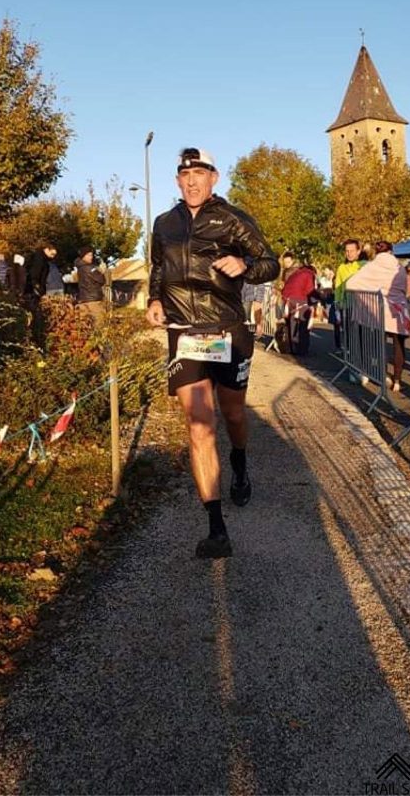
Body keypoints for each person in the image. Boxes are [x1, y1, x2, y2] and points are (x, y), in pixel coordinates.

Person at [146, 146, 279, 559]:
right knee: (199, 427)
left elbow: (269, 263)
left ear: (213, 177)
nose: (191, 181)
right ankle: (216, 528)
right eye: (185, 174)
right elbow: (157, 268)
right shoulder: (164, 223)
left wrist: (245, 265)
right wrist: (153, 299)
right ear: (177, 180)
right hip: (185, 334)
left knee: (234, 415)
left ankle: (239, 462)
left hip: (228, 331)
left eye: (199, 173)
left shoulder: (232, 218)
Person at [346, 240, 410, 392]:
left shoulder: (372, 266)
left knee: (380, 344)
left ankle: (381, 375)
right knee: (398, 345)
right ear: (391, 251)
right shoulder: (399, 267)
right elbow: (404, 288)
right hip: (400, 309)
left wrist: (372, 294)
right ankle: (397, 380)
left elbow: (352, 283)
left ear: (377, 252)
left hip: (380, 311)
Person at [331, 240, 365, 353]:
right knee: (349, 334)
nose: (349, 253)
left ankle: (364, 359)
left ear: (358, 251)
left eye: (352, 251)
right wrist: (337, 303)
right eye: (347, 251)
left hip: (363, 306)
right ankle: (352, 358)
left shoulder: (364, 265)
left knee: (362, 334)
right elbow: (338, 287)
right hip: (347, 306)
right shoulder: (342, 267)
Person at [281, 260, 317, 356]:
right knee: (303, 325)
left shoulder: (296, 273)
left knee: (292, 324)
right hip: (300, 300)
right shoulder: (309, 274)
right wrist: (313, 304)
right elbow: (310, 291)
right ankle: (302, 349)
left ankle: (292, 347)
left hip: (287, 299)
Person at [75, 246, 106, 324]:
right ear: (83, 256)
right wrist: (102, 271)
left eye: (91, 255)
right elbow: (102, 280)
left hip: (83, 300)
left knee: (84, 326)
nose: (91, 257)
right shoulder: (90, 268)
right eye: (89, 255)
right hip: (94, 301)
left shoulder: (80, 268)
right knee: (100, 324)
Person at [24, 241, 58, 310]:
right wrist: (37, 287)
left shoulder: (44, 259)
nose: (53, 257)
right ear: (47, 250)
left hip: (38, 287)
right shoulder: (39, 259)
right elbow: (35, 273)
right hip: (36, 289)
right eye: (52, 254)